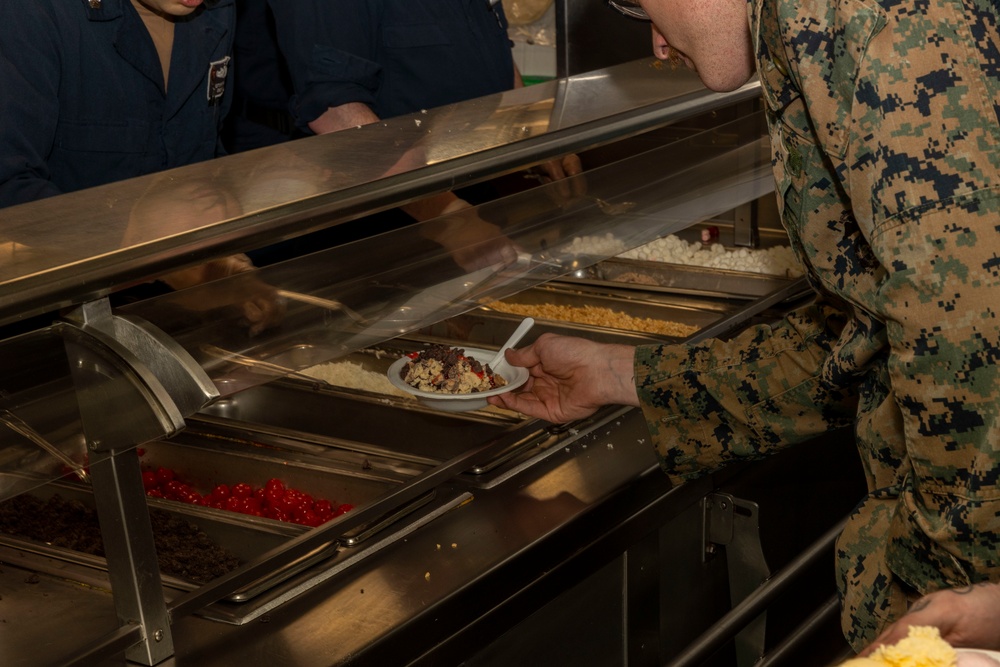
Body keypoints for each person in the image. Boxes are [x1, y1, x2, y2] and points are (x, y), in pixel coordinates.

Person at [489, 0, 1000, 653]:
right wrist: (624, 375)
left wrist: (949, 600)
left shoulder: (865, 21)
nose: (658, 44)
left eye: (640, 3)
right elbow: (865, 334)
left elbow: (966, 335)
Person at [222, 0, 583, 267]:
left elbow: (490, 49)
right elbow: (335, 110)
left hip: (449, 185)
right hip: (360, 204)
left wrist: (530, 134)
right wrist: (449, 217)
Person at [0, 0, 235, 208]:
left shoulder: (217, 9)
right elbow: (10, 182)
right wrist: (125, 236)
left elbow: (210, 144)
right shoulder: (33, 13)